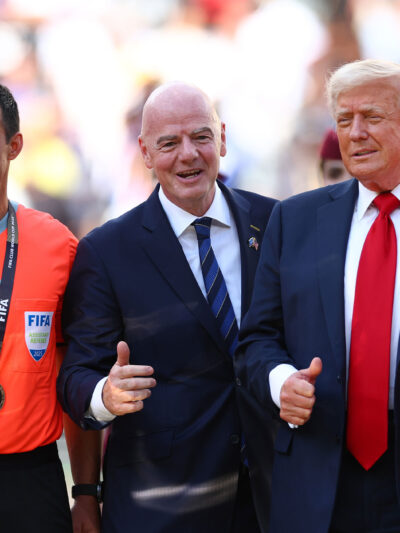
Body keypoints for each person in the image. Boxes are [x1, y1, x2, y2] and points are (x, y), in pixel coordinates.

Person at [57, 82, 277, 533]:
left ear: (222, 138)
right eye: (169, 143)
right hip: (163, 506)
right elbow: (76, 376)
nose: (188, 155)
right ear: (145, 153)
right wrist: (106, 395)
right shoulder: (106, 251)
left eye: (200, 136)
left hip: (273, 496)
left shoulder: (276, 223)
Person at [236, 58, 400, 533]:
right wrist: (281, 381)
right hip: (317, 479)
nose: (356, 132)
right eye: (344, 120)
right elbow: (256, 341)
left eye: (372, 116)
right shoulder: (295, 220)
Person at [0, 84, 101, 533]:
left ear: (14, 145)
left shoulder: (56, 245)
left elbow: (77, 375)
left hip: (31, 481)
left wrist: (85, 493)